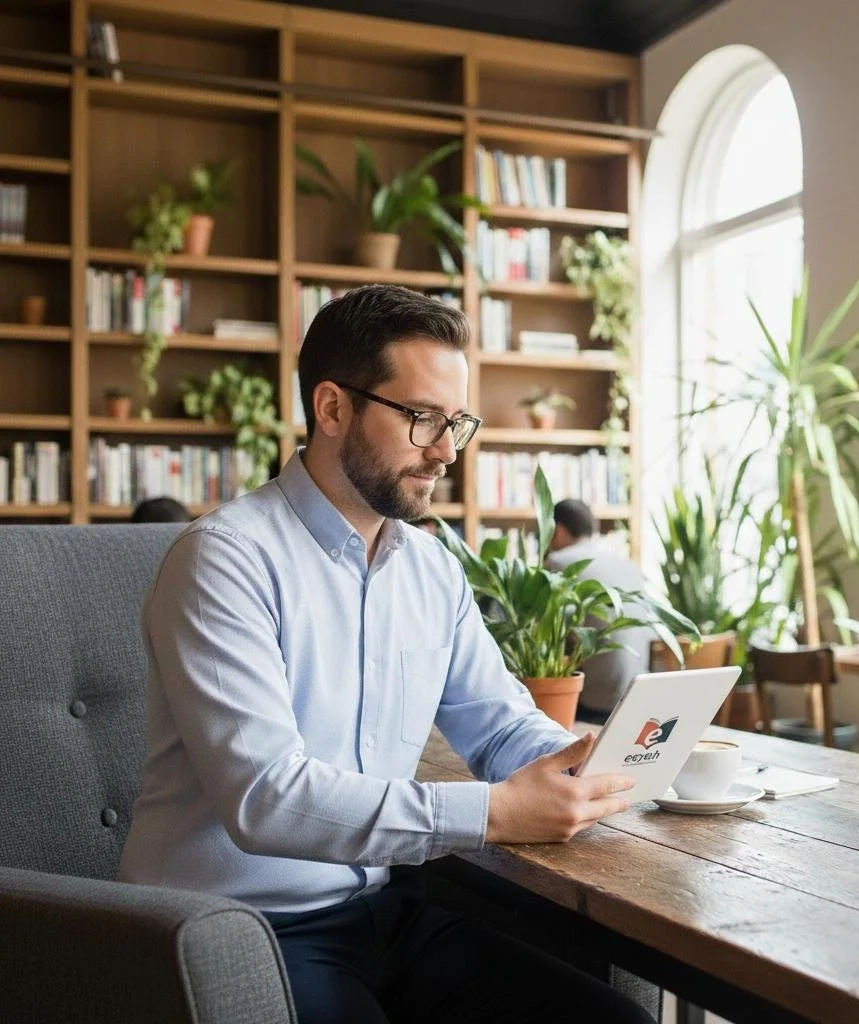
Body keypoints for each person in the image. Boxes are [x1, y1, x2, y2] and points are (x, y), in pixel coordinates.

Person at [118, 284, 651, 1024]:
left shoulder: (430, 568)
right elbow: (265, 799)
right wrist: (496, 811)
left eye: (456, 423)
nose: (444, 451)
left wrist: (592, 770)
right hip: (232, 929)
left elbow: (500, 729)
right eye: (421, 418)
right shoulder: (223, 560)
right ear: (332, 409)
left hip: (381, 913)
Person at [545, 499, 655, 724]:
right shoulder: (627, 565)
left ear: (558, 531)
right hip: (639, 696)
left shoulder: (558, 563)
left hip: (597, 705)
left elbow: (548, 636)